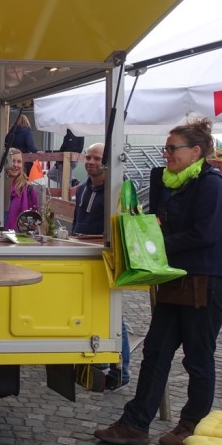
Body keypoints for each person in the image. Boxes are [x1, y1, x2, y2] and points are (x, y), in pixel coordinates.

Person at [94, 118, 222, 445]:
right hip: (176, 278)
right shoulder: (171, 182)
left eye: (173, 148)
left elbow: (206, 234)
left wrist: (155, 243)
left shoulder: (212, 185)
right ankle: (135, 424)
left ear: (196, 151)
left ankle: (191, 424)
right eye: (166, 148)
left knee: (197, 357)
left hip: (208, 280)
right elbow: (157, 219)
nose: (166, 153)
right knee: (156, 352)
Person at [71, 142, 130, 387]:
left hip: (105, 259)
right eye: (88, 157)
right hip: (83, 259)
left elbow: (120, 228)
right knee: (90, 311)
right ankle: (94, 366)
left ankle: (121, 372)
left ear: (106, 162)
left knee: (114, 316)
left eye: (96, 158)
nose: (91, 162)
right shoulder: (83, 189)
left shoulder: (117, 190)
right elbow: (78, 221)